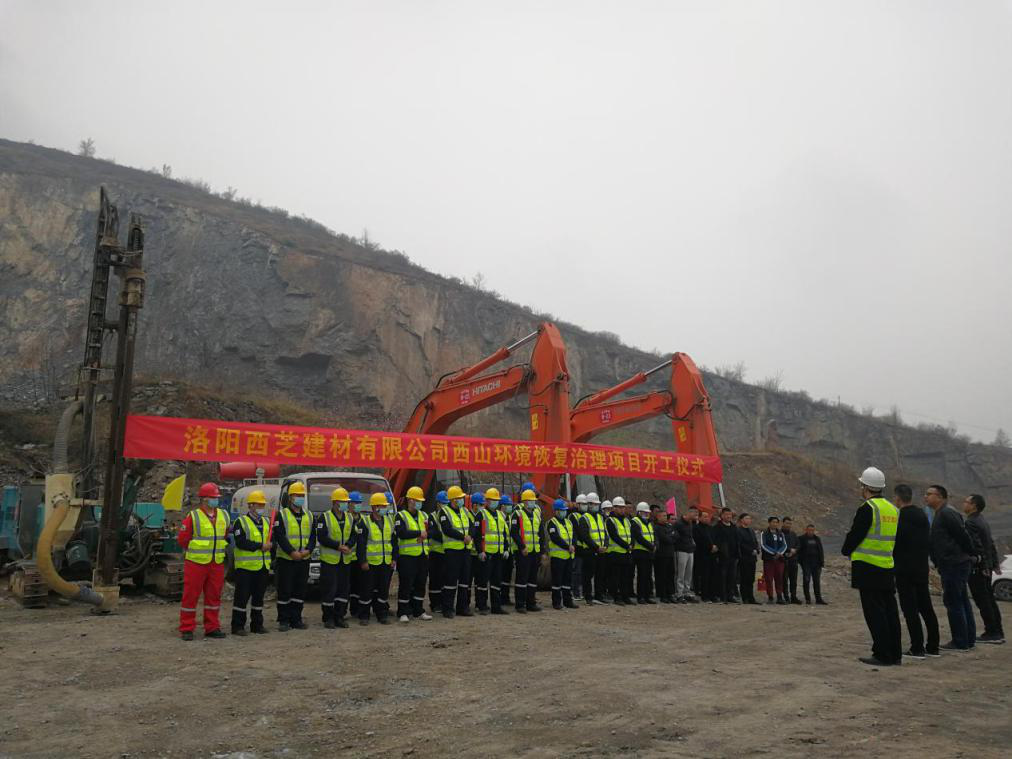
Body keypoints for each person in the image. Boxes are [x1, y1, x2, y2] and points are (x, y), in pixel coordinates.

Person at [841, 467, 902, 666]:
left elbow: (855, 534)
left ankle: (882, 653)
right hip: (887, 565)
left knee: (875, 613)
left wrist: (846, 550)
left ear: (865, 487)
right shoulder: (893, 509)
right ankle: (895, 653)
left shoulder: (868, 508)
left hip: (868, 567)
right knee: (890, 612)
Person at [926, 484, 976, 651]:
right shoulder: (941, 513)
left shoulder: (947, 513)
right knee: (961, 600)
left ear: (940, 497)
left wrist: (968, 554)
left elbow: (963, 536)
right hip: (953, 563)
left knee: (954, 602)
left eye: (929, 494)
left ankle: (960, 640)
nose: (926, 497)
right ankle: (968, 639)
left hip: (955, 564)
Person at [892, 484, 939, 658]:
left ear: (897, 498)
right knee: (926, 607)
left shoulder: (901, 517)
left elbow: (896, 543)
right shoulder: (922, 514)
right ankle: (933, 646)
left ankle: (917, 647)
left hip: (905, 569)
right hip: (921, 568)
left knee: (910, 609)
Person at [178, 482, 229, 640]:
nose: (216, 501)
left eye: (216, 498)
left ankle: (212, 627)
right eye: (213, 498)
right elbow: (183, 540)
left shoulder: (224, 515)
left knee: (214, 596)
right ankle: (187, 628)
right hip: (196, 563)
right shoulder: (193, 516)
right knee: (190, 596)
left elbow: (225, 535)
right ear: (204, 499)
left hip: (216, 563)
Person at [273, 481, 316, 632]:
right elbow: (280, 536)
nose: (300, 498)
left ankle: (296, 619)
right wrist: (292, 552)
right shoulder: (282, 515)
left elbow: (312, 536)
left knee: (299, 590)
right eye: (297, 495)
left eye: (302, 495)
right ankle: (284, 620)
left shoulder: (309, 515)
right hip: (286, 559)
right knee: (285, 590)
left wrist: (308, 550)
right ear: (290, 497)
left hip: (303, 559)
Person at [963, 493, 1005, 644]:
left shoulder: (971, 523)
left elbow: (977, 546)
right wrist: (994, 564)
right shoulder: (982, 521)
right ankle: (998, 631)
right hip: (986, 567)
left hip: (978, 569)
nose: (964, 504)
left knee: (983, 601)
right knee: (989, 599)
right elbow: (990, 545)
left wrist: (980, 564)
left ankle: (991, 632)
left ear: (974, 505)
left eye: (966, 502)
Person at [315, 487, 355, 629]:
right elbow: (322, 537)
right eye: (343, 502)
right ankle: (328, 618)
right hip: (330, 560)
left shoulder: (349, 517)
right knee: (329, 590)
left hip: (345, 560)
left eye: (347, 502)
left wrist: (349, 545)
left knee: (343, 590)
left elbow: (354, 535)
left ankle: (340, 616)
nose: (346, 504)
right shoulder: (324, 517)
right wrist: (338, 546)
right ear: (335, 502)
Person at [394, 486, 434, 623]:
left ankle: (418, 610)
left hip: (422, 555)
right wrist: (419, 534)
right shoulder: (401, 515)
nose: (419, 503)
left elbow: (433, 531)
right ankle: (403, 612)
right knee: (406, 584)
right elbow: (401, 533)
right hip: (407, 556)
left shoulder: (424, 515)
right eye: (417, 500)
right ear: (410, 500)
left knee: (420, 583)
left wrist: (426, 535)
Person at [356, 492, 395, 625]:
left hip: (385, 562)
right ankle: (364, 616)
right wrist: (363, 561)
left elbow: (393, 542)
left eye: (385, 505)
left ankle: (381, 615)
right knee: (367, 590)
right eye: (382, 506)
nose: (385, 508)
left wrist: (394, 558)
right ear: (374, 507)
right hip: (370, 563)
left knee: (383, 590)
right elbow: (361, 544)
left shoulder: (389, 520)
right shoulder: (365, 522)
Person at [475, 487, 510, 615]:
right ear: (487, 501)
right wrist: (480, 551)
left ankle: (496, 606)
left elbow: (504, 534)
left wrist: (506, 548)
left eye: (496, 500)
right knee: (483, 581)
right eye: (493, 500)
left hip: (498, 553)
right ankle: (482, 606)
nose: (495, 502)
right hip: (487, 553)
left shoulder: (501, 515)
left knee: (496, 581)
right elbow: (477, 535)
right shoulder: (481, 514)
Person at [438, 485, 472, 618]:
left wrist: (470, 536)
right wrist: (462, 537)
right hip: (452, 551)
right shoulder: (444, 512)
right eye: (459, 498)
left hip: (465, 551)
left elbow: (472, 526)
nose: (461, 500)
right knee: (451, 581)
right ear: (453, 499)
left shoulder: (464, 511)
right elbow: (447, 529)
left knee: (465, 581)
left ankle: (462, 608)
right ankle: (448, 609)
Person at [512, 489, 543, 613]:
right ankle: (520, 604)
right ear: (525, 501)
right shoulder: (518, 514)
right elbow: (514, 532)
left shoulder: (536, 514)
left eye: (534, 501)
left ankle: (531, 603)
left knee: (532, 579)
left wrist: (542, 550)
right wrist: (522, 546)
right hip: (523, 552)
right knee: (522, 579)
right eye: (531, 501)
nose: (533, 503)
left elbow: (540, 533)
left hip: (535, 551)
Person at [547, 498, 578, 609]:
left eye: (565, 510)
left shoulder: (568, 522)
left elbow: (573, 535)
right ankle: (556, 602)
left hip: (569, 556)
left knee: (567, 581)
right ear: (556, 511)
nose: (564, 512)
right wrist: (567, 546)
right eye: (562, 510)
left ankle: (567, 601)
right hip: (558, 557)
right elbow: (555, 538)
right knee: (557, 581)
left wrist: (573, 545)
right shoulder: (552, 523)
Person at [577, 492, 608, 604]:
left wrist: (605, 546)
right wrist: (596, 547)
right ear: (589, 504)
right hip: (589, 551)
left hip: (601, 551)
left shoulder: (601, 517)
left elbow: (605, 533)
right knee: (588, 576)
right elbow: (585, 536)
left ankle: (599, 595)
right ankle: (588, 596)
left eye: (597, 504)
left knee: (600, 575)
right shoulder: (584, 518)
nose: (596, 506)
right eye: (594, 504)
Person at [606, 496, 634, 605]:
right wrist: (627, 545)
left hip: (626, 553)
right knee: (615, 577)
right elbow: (614, 536)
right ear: (614, 508)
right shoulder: (610, 520)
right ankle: (616, 596)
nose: (622, 509)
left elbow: (631, 534)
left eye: (623, 507)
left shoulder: (627, 520)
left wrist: (631, 544)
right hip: (615, 553)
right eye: (620, 507)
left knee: (625, 577)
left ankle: (625, 596)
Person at [712, 507, 740, 604]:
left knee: (732, 577)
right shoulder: (717, 527)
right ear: (722, 515)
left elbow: (737, 541)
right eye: (726, 514)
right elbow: (714, 541)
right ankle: (722, 596)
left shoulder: (734, 527)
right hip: (722, 556)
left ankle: (730, 595)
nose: (729, 516)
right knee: (722, 576)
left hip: (733, 556)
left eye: (730, 514)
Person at [631, 502, 656, 604]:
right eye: (644, 512)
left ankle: (647, 595)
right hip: (640, 552)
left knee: (648, 575)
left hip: (649, 552)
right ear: (639, 512)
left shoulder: (649, 523)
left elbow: (653, 535)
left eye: (647, 513)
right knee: (641, 575)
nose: (646, 514)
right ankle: (640, 596)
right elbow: (639, 537)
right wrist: (651, 546)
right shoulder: (635, 522)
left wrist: (654, 545)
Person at [427, 490, 448, 614]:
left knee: (445, 579)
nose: (444, 505)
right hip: (436, 553)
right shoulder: (433, 516)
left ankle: (443, 602)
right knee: (435, 579)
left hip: (447, 552)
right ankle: (435, 604)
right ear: (438, 504)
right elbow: (434, 533)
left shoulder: (450, 516)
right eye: (443, 503)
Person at [347, 491, 368, 617]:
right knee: (347, 587)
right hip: (346, 558)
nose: (358, 505)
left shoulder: (364, 520)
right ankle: (348, 610)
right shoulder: (345, 518)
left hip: (360, 559)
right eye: (355, 503)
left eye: (360, 503)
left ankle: (357, 610)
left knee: (360, 586)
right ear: (349, 504)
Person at [796, 524, 827, 606]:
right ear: (806, 530)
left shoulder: (817, 539)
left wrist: (822, 562)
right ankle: (808, 598)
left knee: (816, 581)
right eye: (809, 530)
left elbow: (821, 550)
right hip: (806, 563)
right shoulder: (801, 538)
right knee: (806, 580)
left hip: (816, 563)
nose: (811, 532)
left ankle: (818, 599)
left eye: (812, 530)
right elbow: (798, 550)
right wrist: (800, 562)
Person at [761, 517, 788, 605]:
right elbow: (763, 545)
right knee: (769, 578)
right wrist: (774, 552)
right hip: (769, 559)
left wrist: (780, 553)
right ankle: (770, 597)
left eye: (776, 522)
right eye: (773, 522)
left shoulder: (781, 533)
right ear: (769, 523)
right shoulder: (764, 533)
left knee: (779, 578)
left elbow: (784, 545)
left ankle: (780, 596)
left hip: (779, 560)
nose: (775, 524)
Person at [673, 506, 697, 603]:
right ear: (688, 512)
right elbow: (675, 536)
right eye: (694, 513)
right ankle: (679, 593)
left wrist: (692, 543)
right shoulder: (678, 523)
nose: (696, 515)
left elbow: (690, 536)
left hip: (690, 550)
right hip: (681, 550)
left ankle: (687, 592)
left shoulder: (690, 523)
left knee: (688, 573)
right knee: (680, 573)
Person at [653, 507, 676, 603]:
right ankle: (662, 595)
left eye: (666, 516)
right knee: (662, 575)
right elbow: (666, 539)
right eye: (663, 516)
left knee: (670, 575)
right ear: (658, 517)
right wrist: (671, 536)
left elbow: (676, 536)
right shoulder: (657, 527)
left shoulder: (669, 526)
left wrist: (671, 536)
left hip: (670, 554)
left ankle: (670, 593)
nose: (665, 517)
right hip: (661, 555)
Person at [693, 509, 717, 601]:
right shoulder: (696, 528)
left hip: (712, 554)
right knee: (704, 576)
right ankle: (705, 595)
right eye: (705, 517)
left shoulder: (710, 528)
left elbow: (715, 539)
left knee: (713, 575)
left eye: (708, 517)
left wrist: (715, 546)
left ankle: (712, 595)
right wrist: (710, 547)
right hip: (702, 555)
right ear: (699, 518)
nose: (707, 518)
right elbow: (699, 541)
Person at [736, 513, 759, 605]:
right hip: (744, 557)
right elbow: (740, 544)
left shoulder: (751, 530)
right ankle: (745, 597)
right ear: (741, 520)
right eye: (746, 518)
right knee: (744, 578)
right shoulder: (738, 531)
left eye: (749, 518)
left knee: (751, 578)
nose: (749, 520)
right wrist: (750, 550)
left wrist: (757, 549)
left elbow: (755, 542)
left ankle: (751, 597)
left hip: (752, 558)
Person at [570, 494, 588, 600]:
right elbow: (577, 531)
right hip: (577, 547)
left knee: (583, 572)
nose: (584, 506)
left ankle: (581, 591)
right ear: (577, 504)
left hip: (585, 548)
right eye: (583, 504)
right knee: (576, 571)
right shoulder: (573, 516)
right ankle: (575, 592)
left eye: (586, 504)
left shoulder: (586, 516)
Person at [781, 517, 802, 605]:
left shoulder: (793, 534)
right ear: (783, 523)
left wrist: (795, 550)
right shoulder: (779, 534)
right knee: (784, 580)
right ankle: (786, 597)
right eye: (787, 523)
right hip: (783, 559)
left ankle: (793, 596)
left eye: (790, 523)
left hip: (793, 560)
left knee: (793, 580)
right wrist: (788, 551)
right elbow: (779, 545)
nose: (788, 525)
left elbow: (798, 544)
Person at [499, 494, 515, 606]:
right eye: (508, 505)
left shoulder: (509, 517)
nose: (510, 507)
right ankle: (500, 598)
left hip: (509, 551)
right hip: (500, 551)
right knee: (500, 576)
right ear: (502, 506)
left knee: (507, 576)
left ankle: (505, 597)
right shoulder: (498, 517)